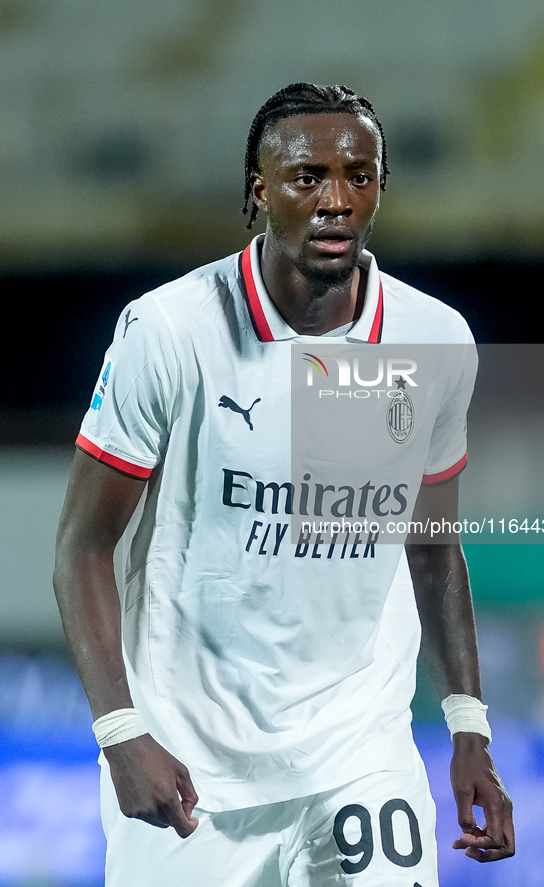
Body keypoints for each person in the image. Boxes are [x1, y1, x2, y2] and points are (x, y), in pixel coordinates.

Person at [53, 83, 514, 886]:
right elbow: (82, 546)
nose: (336, 200)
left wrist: (467, 726)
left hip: (359, 754)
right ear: (259, 191)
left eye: (357, 175)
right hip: (193, 770)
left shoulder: (430, 339)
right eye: (307, 178)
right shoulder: (170, 330)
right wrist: (121, 731)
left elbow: (431, 545)